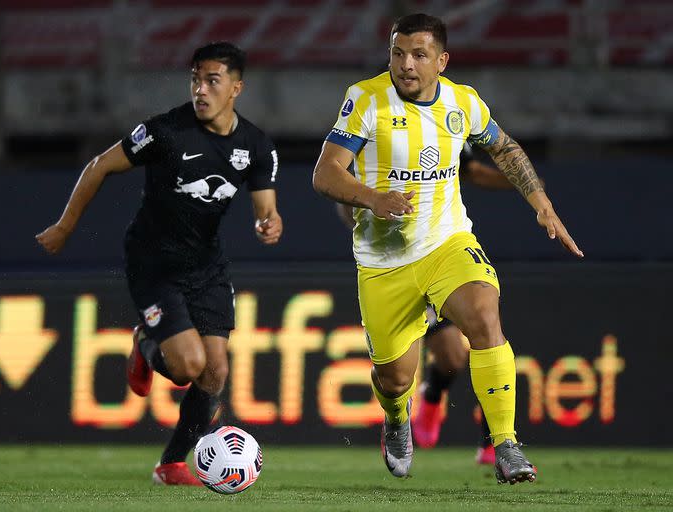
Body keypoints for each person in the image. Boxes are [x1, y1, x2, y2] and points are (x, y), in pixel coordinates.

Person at [313, 13, 582, 485]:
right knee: (395, 378)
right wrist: (374, 198)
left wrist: (541, 203)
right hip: (383, 264)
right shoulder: (366, 99)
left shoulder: (463, 103)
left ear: (442, 60)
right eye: (398, 53)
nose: (406, 65)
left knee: (484, 315)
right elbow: (326, 173)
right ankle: (397, 418)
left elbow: (505, 148)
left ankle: (506, 445)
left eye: (418, 55)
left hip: (446, 242)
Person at [36, 42, 282, 486]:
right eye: (195, 79)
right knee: (188, 367)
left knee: (216, 372)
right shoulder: (166, 131)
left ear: (236, 88)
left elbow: (266, 206)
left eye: (212, 81)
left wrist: (270, 223)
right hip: (155, 263)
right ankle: (146, 344)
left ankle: (170, 465)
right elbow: (98, 166)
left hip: (206, 266)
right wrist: (65, 225)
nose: (200, 90)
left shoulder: (256, 146)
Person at [335, 143, 516, 466]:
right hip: (395, 263)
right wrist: (371, 221)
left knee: (486, 331)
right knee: (445, 357)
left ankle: (497, 442)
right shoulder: (373, 125)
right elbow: (339, 189)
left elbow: (471, 170)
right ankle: (420, 403)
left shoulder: (450, 117)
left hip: (443, 250)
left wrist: (521, 180)